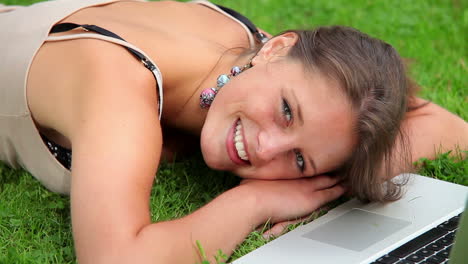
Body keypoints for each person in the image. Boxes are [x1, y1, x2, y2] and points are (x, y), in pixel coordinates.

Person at [0, 0, 466, 263]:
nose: (266, 149)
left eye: (299, 160)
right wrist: (254, 201)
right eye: (287, 111)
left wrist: (337, 177)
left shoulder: (257, 58)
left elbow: (449, 130)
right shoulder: (118, 87)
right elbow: (114, 259)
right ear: (277, 48)